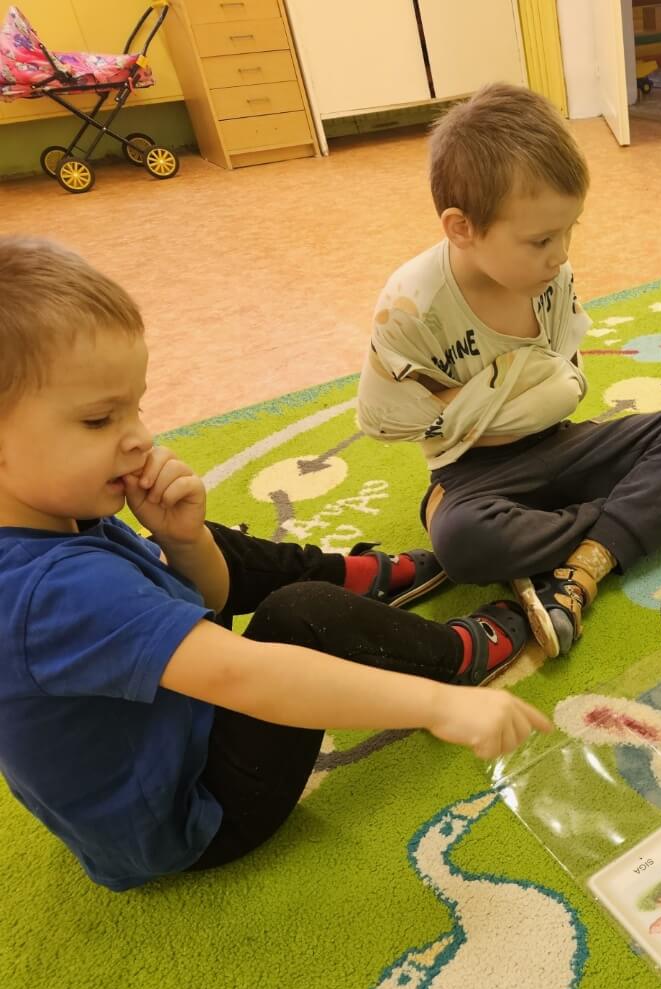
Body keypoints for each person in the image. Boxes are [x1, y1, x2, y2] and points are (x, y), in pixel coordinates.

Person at [0, 236, 550, 891]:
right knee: (300, 616)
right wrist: (436, 706)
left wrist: (183, 541)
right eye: (98, 420)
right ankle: (455, 657)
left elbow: (203, 600)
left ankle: (363, 577)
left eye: (136, 407)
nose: (140, 437)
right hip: (201, 815)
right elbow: (243, 674)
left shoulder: (50, 510)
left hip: (172, 731)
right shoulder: (53, 590)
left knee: (205, 535)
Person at [356, 82, 661, 658]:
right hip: (474, 473)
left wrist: (493, 399)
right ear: (462, 228)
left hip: (560, 445)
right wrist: (511, 397)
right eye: (540, 240)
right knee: (461, 543)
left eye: (569, 230)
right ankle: (630, 524)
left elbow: (563, 392)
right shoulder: (411, 305)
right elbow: (386, 419)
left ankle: (575, 551)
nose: (561, 254)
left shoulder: (551, 275)